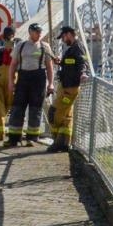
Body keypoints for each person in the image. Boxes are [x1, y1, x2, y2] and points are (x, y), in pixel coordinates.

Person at [4, 23, 54, 148]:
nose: (39, 34)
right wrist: (11, 82)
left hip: (39, 80)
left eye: (40, 32)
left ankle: (31, 138)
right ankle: (13, 138)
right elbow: (13, 65)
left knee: (35, 109)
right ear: (30, 32)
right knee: (17, 108)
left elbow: (49, 67)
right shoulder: (21, 46)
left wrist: (51, 84)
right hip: (23, 78)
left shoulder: (44, 46)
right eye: (36, 32)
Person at [46, 24, 86, 153]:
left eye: (63, 37)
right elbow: (71, 63)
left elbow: (82, 63)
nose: (63, 40)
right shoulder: (71, 49)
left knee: (54, 113)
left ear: (69, 34)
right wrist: (60, 62)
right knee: (66, 117)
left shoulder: (78, 47)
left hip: (70, 89)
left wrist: (83, 73)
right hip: (66, 87)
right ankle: (63, 143)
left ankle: (57, 142)